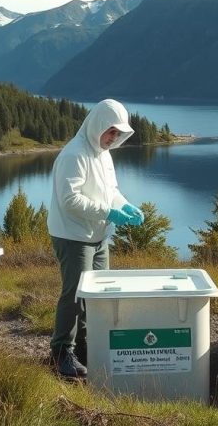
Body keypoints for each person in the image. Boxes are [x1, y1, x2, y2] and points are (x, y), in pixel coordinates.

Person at [48, 99, 144, 378]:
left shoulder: (103, 154)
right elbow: (70, 201)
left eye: (117, 134)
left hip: (99, 235)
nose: (113, 137)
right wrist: (110, 213)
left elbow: (110, 190)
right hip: (73, 235)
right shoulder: (74, 154)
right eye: (110, 131)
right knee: (75, 295)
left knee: (98, 296)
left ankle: (85, 347)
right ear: (97, 124)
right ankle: (61, 353)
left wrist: (124, 205)